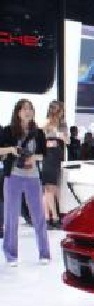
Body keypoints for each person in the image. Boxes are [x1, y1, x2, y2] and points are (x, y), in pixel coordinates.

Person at [0, 99, 51, 266]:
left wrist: (32, 157)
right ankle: (11, 255)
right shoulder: (8, 131)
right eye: (24, 109)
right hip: (13, 176)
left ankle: (44, 253)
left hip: (33, 177)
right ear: (18, 112)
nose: (28, 111)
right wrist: (12, 149)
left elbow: (43, 154)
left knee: (39, 216)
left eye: (30, 108)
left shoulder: (39, 132)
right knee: (11, 217)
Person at [42, 100, 68, 229]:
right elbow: (40, 141)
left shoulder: (63, 125)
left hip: (57, 157)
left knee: (52, 189)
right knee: (49, 188)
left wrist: (58, 134)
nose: (61, 113)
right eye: (59, 110)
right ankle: (54, 217)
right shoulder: (45, 124)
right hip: (47, 157)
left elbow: (67, 140)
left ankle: (47, 218)